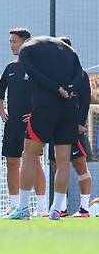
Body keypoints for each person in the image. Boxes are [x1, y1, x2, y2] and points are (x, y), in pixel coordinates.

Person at [4, 36, 83, 220]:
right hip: (69, 107)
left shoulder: (27, 50)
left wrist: (56, 88)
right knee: (62, 161)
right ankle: (56, 209)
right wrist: (70, 89)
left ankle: (23, 207)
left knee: (29, 155)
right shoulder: (68, 50)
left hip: (44, 107)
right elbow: (80, 74)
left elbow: (34, 74)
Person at [0, 28, 47, 216]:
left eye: (14, 41)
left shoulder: (37, 66)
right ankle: (14, 205)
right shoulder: (10, 68)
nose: (11, 45)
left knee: (35, 164)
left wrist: (35, 114)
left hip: (31, 124)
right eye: (10, 41)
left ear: (25, 42)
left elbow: (47, 92)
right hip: (12, 123)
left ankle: (41, 207)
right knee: (11, 163)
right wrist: (2, 108)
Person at [46, 37, 92, 218]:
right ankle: (61, 207)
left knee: (80, 166)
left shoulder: (80, 73)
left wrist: (81, 123)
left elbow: (86, 100)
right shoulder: (51, 74)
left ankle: (84, 208)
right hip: (55, 128)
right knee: (57, 166)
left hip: (73, 129)